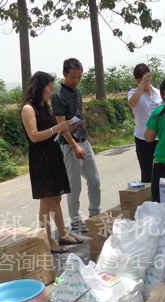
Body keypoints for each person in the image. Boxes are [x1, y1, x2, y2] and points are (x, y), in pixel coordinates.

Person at [20, 71, 83, 254]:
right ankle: (47, 241)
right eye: (49, 88)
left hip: (53, 154)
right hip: (40, 158)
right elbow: (34, 136)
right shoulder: (28, 109)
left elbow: (50, 132)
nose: (50, 92)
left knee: (56, 197)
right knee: (46, 201)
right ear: (39, 88)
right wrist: (57, 128)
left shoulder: (43, 107)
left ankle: (62, 234)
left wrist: (65, 128)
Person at [52, 58, 101, 234]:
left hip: (84, 141)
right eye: (73, 77)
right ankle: (75, 220)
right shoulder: (57, 96)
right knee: (74, 186)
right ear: (64, 74)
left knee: (94, 180)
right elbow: (60, 125)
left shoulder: (77, 92)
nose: (76, 81)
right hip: (69, 145)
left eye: (79, 77)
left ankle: (95, 214)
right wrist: (74, 146)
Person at [128, 63, 162, 183]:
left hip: (159, 138)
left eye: (145, 79)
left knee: (161, 171)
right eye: (138, 80)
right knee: (146, 173)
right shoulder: (133, 92)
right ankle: (147, 200)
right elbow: (133, 103)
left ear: (150, 76)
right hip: (142, 139)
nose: (142, 83)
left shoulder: (159, 93)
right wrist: (141, 84)